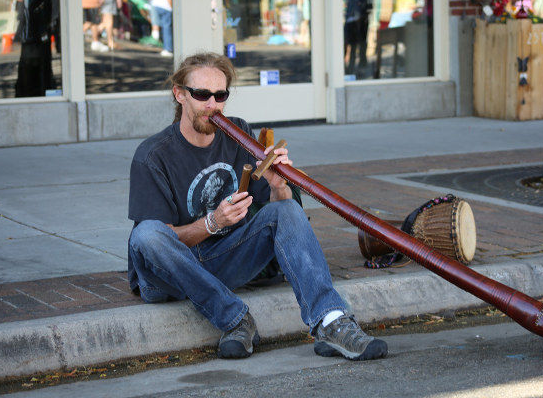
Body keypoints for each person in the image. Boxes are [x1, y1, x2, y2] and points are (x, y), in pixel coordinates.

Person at [127, 52, 388, 361]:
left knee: (286, 210)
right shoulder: (153, 155)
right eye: (201, 94)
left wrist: (279, 186)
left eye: (220, 95)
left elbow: (279, 213)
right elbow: (161, 239)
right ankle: (236, 319)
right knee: (145, 235)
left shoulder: (237, 132)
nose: (212, 104)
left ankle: (330, 321)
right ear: (180, 94)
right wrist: (212, 223)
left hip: (224, 259)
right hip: (169, 274)